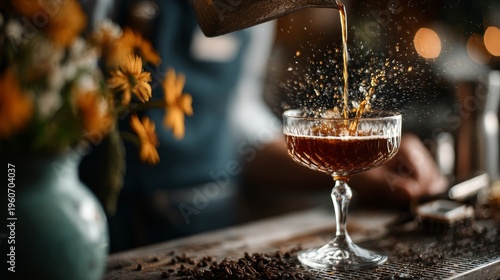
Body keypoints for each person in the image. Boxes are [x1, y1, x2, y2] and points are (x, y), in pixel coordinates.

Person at [80, 0, 448, 253]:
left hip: (211, 226)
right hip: (104, 218)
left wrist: (361, 168)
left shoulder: (253, 12)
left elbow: (241, 121)